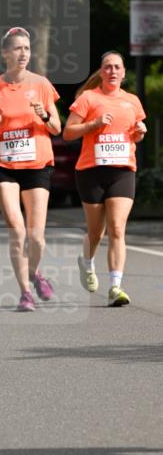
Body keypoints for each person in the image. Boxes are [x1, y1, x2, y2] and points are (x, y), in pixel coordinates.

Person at [0, 26, 61, 312]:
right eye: (18, 48)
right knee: (17, 230)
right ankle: (25, 293)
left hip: (36, 165)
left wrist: (43, 114)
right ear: (5, 53)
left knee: (36, 235)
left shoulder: (42, 85)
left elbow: (57, 127)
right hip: (3, 166)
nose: (23, 53)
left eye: (27, 49)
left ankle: (34, 273)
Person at [63, 51, 146, 307]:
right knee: (96, 232)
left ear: (123, 73)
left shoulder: (132, 101)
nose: (112, 71)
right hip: (91, 171)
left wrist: (140, 132)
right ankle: (86, 262)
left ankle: (115, 287)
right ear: (101, 72)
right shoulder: (88, 98)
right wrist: (94, 124)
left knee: (118, 228)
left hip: (122, 169)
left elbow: (135, 134)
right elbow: (68, 133)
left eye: (117, 67)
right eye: (107, 67)